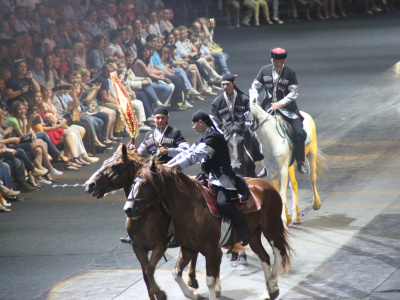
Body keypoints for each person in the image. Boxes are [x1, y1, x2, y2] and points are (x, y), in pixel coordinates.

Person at [165, 110, 251, 246]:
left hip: (221, 175)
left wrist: (173, 167)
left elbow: (195, 156)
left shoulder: (214, 137)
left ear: (200, 122)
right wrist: (167, 165)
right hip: (206, 174)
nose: (193, 127)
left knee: (223, 202)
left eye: (194, 124)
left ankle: (244, 230)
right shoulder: (202, 137)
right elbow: (187, 153)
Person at [120, 106, 189, 245]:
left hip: (170, 173)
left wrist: (169, 151)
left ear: (167, 118)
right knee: (137, 198)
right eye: (157, 118)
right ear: (154, 118)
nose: (160, 120)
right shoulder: (149, 136)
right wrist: (133, 151)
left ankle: (177, 233)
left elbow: (186, 149)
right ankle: (134, 231)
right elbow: (141, 154)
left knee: (173, 203)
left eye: (163, 118)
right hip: (152, 174)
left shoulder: (175, 133)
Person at [249, 48, 307, 175]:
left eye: (279, 60)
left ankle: (300, 162)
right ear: (271, 59)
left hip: (287, 110)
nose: (276, 63)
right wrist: (253, 98)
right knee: (255, 133)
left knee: (298, 132)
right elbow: (255, 87)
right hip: (268, 109)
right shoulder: (264, 70)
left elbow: (293, 93)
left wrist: (279, 104)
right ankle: (263, 164)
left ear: (283, 60)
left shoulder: (290, 73)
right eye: (274, 60)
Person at [210, 73, 263, 178]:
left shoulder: (243, 99)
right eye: (223, 84)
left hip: (242, 132)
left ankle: (254, 174)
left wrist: (242, 128)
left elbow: (249, 118)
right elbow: (213, 120)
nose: (225, 87)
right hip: (225, 134)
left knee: (249, 161)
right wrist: (223, 132)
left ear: (233, 84)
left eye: (227, 84)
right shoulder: (217, 102)